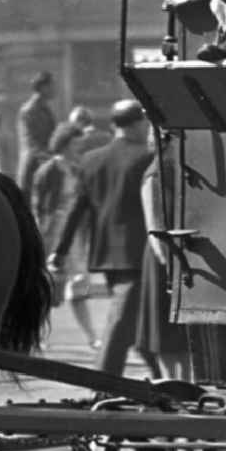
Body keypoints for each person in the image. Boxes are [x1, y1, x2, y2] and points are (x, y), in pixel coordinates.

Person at [48, 99, 157, 382]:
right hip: (141, 253)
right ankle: (103, 383)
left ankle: (162, 378)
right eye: (144, 122)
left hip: (106, 254)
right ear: (135, 124)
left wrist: (59, 251)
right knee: (123, 321)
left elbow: (76, 209)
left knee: (134, 319)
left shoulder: (90, 159)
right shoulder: (146, 157)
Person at [32, 122, 98, 345]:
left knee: (79, 283)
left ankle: (91, 337)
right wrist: (43, 232)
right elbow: (40, 206)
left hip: (74, 232)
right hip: (53, 231)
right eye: (75, 144)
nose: (78, 148)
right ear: (64, 144)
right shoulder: (49, 170)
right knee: (49, 286)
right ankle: (37, 334)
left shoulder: (78, 168)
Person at [135, 133, 191, 379]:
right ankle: (173, 381)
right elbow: (155, 226)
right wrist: (168, 264)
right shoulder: (157, 174)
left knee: (173, 328)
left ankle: (182, 380)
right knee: (166, 327)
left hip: (175, 254)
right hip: (168, 256)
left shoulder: (166, 169)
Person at [16, 70, 57, 202]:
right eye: (52, 86)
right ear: (43, 87)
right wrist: (47, 157)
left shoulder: (46, 109)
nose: (54, 89)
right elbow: (30, 141)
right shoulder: (29, 110)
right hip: (32, 166)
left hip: (45, 163)